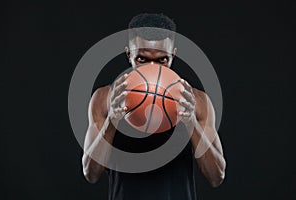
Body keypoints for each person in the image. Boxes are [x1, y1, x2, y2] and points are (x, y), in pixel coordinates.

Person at [82, 13, 226, 200]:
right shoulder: (105, 98)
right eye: (141, 59)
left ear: (172, 55)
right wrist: (113, 120)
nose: (152, 68)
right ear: (129, 55)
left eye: (162, 60)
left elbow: (217, 177)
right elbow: (90, 173)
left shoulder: (196, 101)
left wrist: (190, 123)